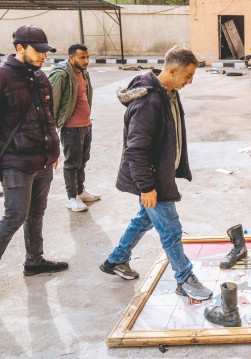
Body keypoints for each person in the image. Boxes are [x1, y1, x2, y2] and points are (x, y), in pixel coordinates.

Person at [99, 46, 212, 301]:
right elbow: (135, 150)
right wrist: (146, 187)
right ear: (172, 70)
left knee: (145, 219)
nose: (190, 82)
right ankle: (184, 279)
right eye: (187, 76)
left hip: (159, 174)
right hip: (152, 179)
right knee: (171, 230)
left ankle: (116, 260)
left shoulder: (168, 92)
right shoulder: (149, 101)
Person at [0, 25, 68, 301]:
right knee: (14, 216)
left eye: (46, 51)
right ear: (20, 48)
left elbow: (47, 115)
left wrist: (54, 148)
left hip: (43, 159)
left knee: (37, 213)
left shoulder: (39, 77)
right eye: (39, 51)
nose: (44, 57)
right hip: (15, 162)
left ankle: (34, 260)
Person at [49, 43, 100, 212]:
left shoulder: (83, 74)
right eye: (82, 57)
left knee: (82, 161)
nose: (86, 61)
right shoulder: (62, 75)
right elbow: (52, 102)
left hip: (85, 125)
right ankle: (71, 197)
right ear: (71, 57)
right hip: (71, 127)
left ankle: (80, 191)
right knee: (72, 163)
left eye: (87, 57)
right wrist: (52, 127)